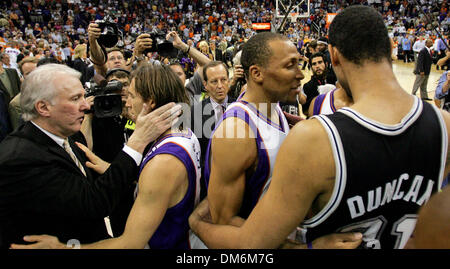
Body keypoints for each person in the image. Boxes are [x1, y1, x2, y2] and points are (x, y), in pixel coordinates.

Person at [188, 5, 449, 249]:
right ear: (392, 46)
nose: (302, 73)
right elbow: (229, 225)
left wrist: (196, 222)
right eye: (291, 65)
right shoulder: (444, 123)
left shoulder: (304, 130)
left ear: (333, 55)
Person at [194, 32, 362, 249]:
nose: (301, 75)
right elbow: (224, 224)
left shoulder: (271, 105)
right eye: (290, 65)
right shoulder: (237, 132)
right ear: (257, 73)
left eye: (299, 64)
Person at [11, 63, 202, 250]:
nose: (126, 102)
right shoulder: (184, 133)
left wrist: (62, 248)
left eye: (131, 96)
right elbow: (165, 191)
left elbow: (129, 244)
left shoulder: (164, 161)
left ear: (150, 101)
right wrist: (112, 170)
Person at [8, 57, 39, 130]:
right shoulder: (17, 103)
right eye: (28, 73)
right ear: (23, 76)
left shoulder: (55, 92)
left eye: (36, 71)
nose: (33, 75)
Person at [302, 52, 337, 117]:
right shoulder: (307, 86)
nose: (317, 66)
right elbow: (306, 112)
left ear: (326, 64)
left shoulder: (335, 80)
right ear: (311, 67)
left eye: (320, 62)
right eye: (314, 64)